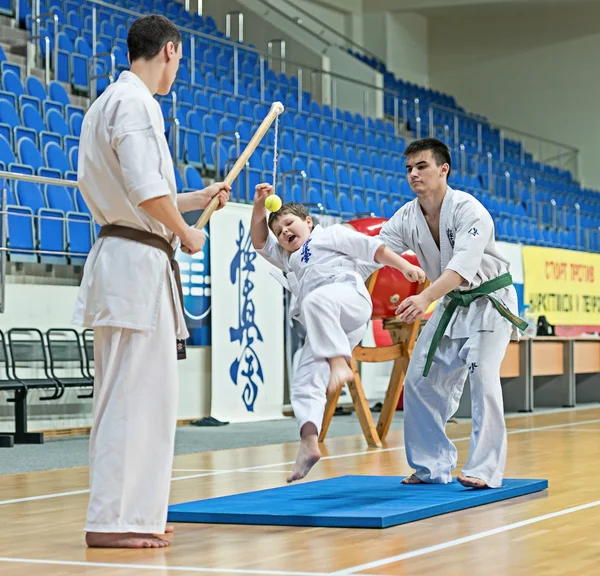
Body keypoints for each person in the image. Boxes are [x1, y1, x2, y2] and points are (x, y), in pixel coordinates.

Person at [72, 15, 231, 548]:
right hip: (136, 265)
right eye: (179, 59)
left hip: (128, 258)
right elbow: (143, 192)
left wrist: (197, 198)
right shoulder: (137, 104)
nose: (177, 70)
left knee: (139, 395)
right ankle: (114, 520)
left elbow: (144, 192)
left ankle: (132, 513)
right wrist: (186, 230)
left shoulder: (110, 102)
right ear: (168, 50)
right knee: (134, 398)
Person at [374, 138, 527, 489]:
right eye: (409, 168)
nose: (413, 174)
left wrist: (424, 297)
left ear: (444, 169)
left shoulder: (470, 210)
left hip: (490, 302)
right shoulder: (408, 216)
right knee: (417, 381)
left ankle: (485, 469)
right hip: (451, 305)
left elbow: (462, 267)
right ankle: (431, 467)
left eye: (421, 166)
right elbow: (376, 249)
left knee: (483, 376)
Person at [250, 183, 426, 483]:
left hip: (349, 300)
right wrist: (258, 205)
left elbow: (373, 249)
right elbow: (259, 242)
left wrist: (404, 267)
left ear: (308, 222)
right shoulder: (288, 257)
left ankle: (338, 363)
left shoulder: (330, 234)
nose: (284, 233)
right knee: (304, 374)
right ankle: (308, 441)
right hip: (326, 325)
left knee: (316, 300)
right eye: (279, 231)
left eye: (288, 224)